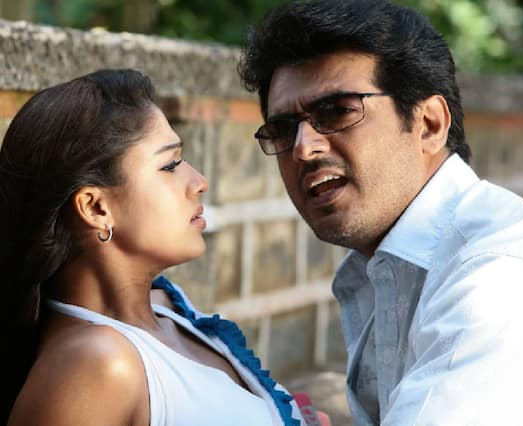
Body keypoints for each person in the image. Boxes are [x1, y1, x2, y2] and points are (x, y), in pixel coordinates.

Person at [239, 0, 523, 424]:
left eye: (337, 111)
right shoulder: (389, 265)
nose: (304, 147)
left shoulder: (499, 283)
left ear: (429, 124)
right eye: (283, 129)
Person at [0, 69, 308, 425]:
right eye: (170, 165)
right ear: (96, 208)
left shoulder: (166, 306)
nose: (199, 182)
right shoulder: (99, 365)